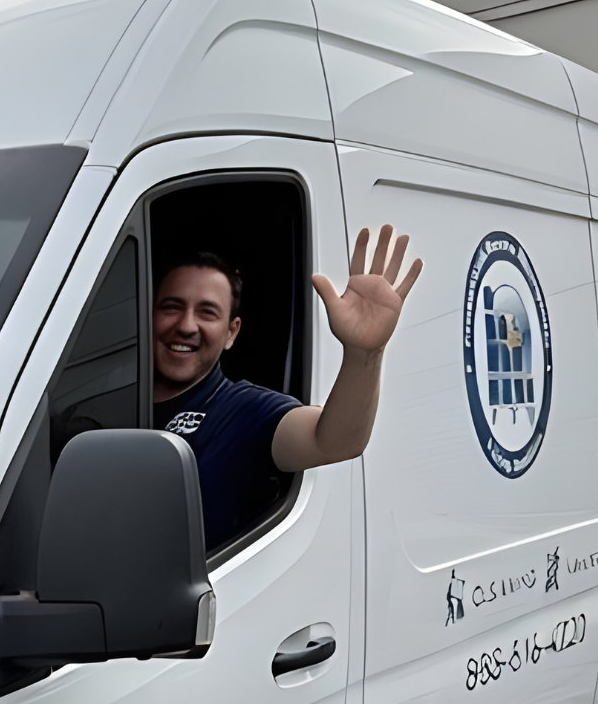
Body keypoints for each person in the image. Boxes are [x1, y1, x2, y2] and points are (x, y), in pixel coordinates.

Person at [152, 224, 422, 548]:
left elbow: (334, 442)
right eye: (172, 307)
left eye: (207, 313)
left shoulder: (242, 410)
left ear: (231, 333)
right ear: (147, 314)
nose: (186, 325)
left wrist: (364, 353)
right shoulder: (96, 402)